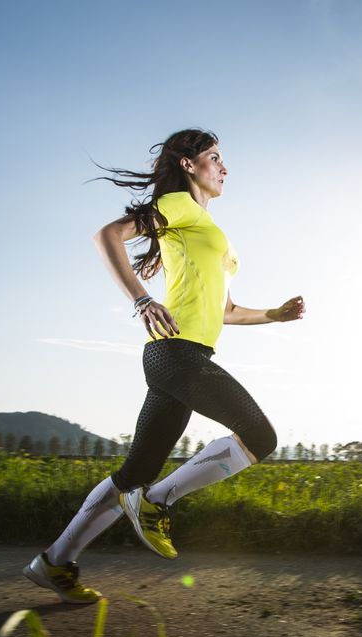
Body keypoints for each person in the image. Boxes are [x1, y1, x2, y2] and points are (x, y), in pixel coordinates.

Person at [25, 128, 304, 603]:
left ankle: (53, 563)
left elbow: (225, 312)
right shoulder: (180, 206)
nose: (224, 167)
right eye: (214, 157)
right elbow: (107, 235)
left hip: (183, 355)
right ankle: (155, 502)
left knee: (133, 472)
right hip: (176, 353)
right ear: (188, 165)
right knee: (260, 436)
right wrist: (141, 301)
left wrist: (273, 315)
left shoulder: (212, 234)